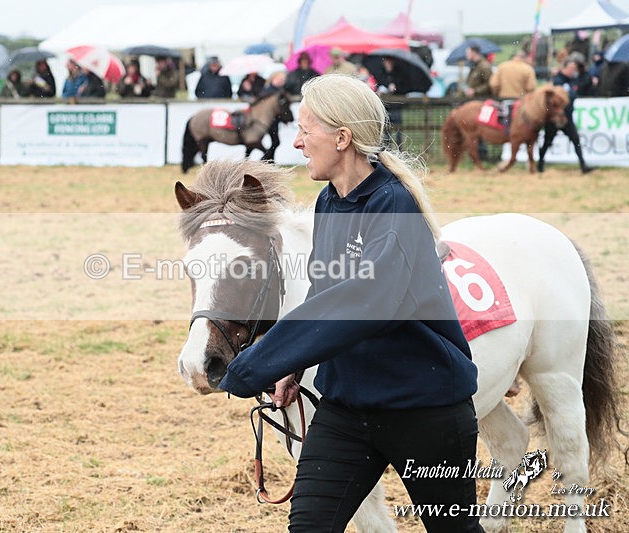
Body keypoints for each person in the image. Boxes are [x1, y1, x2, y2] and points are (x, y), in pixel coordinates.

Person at [219, 73, 483, 532]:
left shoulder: (393, 206)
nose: (296, 143)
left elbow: (363, 303)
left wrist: (255, 364)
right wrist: (292, 366)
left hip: (424, 410)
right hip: (347, 407)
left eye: (305, 130)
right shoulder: (328, 201)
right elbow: (326, 290)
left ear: (342, 138)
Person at [538, 56, 594, 174]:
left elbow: (582, 84)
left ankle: (583, 165)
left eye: (574, 69)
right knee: (547, 141)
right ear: (564, 68)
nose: (573, 71)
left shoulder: (572, 80)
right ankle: (540, 164)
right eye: (571, 68)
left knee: (575, 140)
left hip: (567, 118)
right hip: (555, 119)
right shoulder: (557, 80)